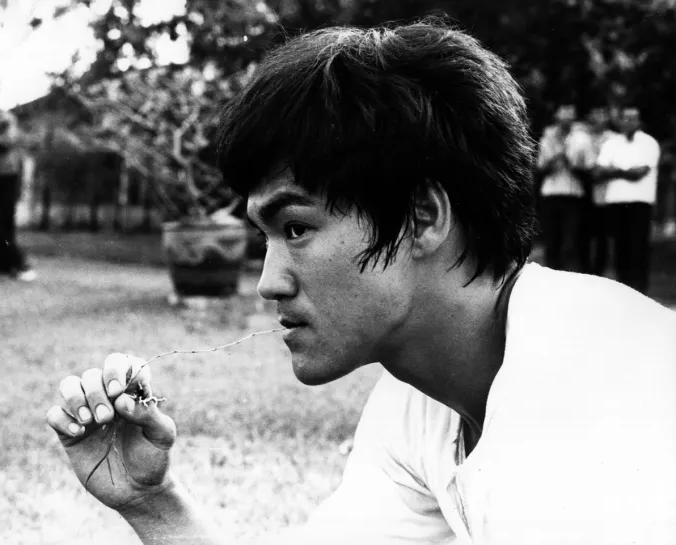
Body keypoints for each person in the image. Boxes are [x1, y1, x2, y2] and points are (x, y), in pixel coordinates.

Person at [46, 20, 676, 545]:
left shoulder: (599, 394)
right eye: (266, 237)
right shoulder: (424, 400)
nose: (267, 283)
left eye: (296, 228)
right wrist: (153, 502)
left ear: (422, 217)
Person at [593, 107, 661, 294]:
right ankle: (624, 292)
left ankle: (640, 291)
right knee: (620, 249)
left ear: (639, 121)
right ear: (620, 121)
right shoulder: (611, 143)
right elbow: (597, 172)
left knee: (638, 248)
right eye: (625, 118)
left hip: (640, 203)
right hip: (616, 202)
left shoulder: (649, 143)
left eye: (633, 118)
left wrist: (613, 170)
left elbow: (639, 173)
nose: (629, 122)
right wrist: (626, 171)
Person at [535, 105, 591, 272]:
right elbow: (541, 167)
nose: (567, 118)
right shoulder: (547, 137)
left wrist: (570, 160)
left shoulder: (581, 138)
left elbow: (588, 166)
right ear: (557, 116)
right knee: (551, 241)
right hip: (551, 194)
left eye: (570, 114)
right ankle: (551, 275)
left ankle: (569, 276)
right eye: (564, 114)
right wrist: (556, 156)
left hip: (573, 194)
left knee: (570, 242)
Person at [0, 80, 36, 281]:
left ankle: (14, 264)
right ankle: (11, 264)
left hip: (5, 177)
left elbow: (7, 142)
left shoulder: (5, 118)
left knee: (5, 224)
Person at [578, 106, 616, 275]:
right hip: (583, 188)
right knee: (583, 234)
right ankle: (584, 269)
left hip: (605, 191)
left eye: (602, 113)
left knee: (602, 234)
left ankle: (600, 270)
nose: (598, 117)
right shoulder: (581, 136)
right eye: (595, 113)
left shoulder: (613, 138)